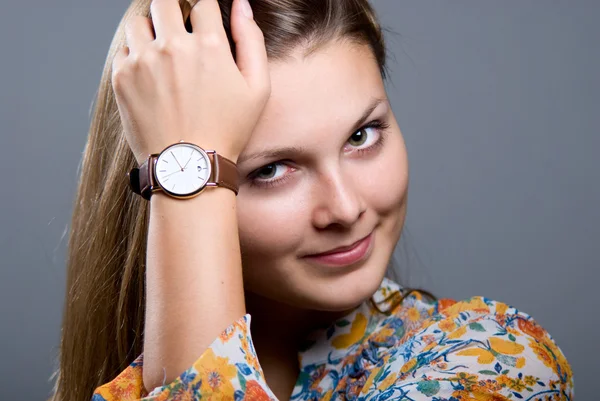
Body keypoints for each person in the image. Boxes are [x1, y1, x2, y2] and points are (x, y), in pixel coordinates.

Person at [49, 0, 574, 400]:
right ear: (156, 182)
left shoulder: (490, 360)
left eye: (362, 136)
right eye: (272, 170)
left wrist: (185, 172)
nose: (345, 209)